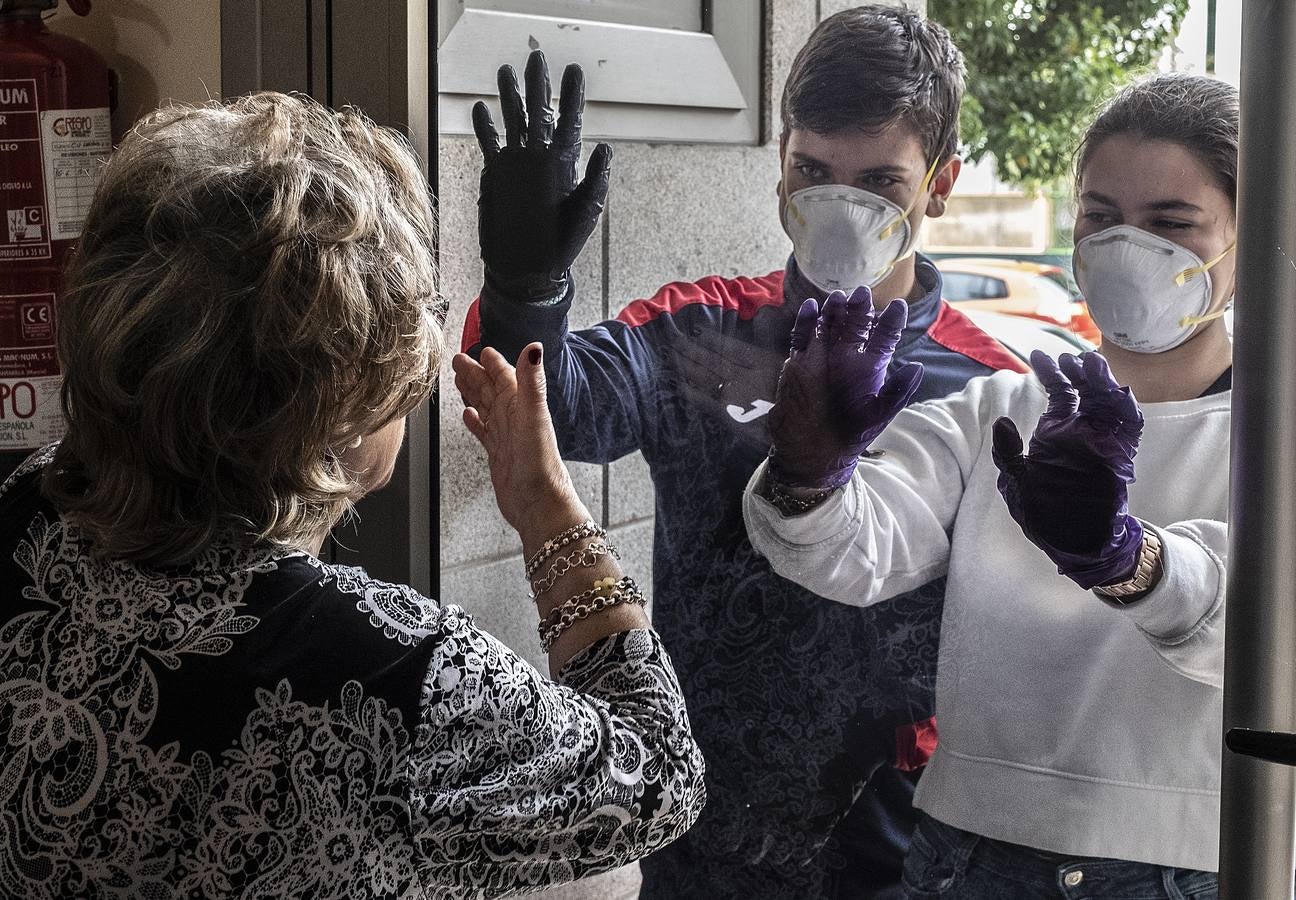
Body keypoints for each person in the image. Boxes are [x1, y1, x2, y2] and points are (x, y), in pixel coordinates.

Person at [0, 91, 705, 900]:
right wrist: (545, 501)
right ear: (345, 407)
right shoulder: (390, 672)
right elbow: (658, 777)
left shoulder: (26, 507)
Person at [463, 7, 1027, 897]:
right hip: (697, 840)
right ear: (780, 166)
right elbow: (558, 407)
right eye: (814, 170)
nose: (842, 206)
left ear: (942, 182)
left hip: (901, 850)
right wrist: (528, 289)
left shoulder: (989, 386)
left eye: (881, 181)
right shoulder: (705, 325)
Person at [744, 72, 1236, 898]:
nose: (1127, 246)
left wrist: (1127, 560)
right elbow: (858, 547)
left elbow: (1265, 632)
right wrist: (810, 471)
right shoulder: (1001, 410)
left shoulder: (1276, 440)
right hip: (967, 854)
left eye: (1171, 223)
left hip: (1181, 866)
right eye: (1101, 216)